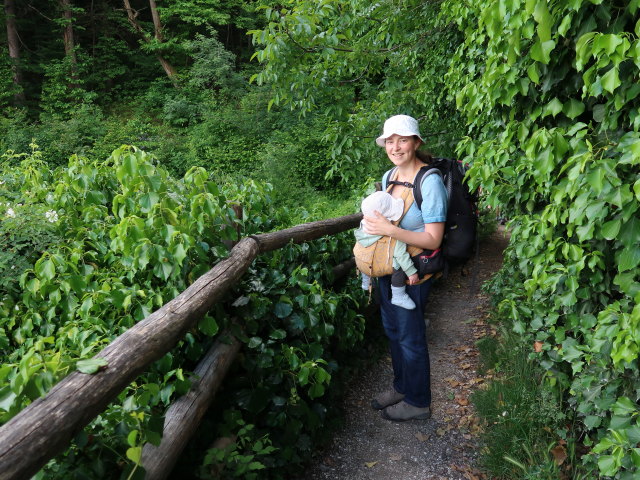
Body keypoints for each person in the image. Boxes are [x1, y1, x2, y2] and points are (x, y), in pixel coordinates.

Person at [362, 114, 448, 421]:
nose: (395, 146)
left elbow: (433, 238)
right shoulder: (389, 178)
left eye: (402, 139)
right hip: (389, 271)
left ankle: (418, 401)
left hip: (415, 276)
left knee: (411, 338)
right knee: (394, 331)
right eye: (390, 140)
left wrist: (387, 229)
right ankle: (401, 386)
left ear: (416, 142)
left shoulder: (430, 181)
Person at [354, 191, 419, 310]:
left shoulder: (364, 227)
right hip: (382, 265)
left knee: (365, 253)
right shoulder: (394, 232)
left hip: (365, 264)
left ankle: (366, 282)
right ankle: (398, 295)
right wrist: (411, 272)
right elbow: (401, 255)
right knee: (398, 265)